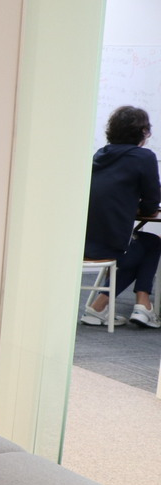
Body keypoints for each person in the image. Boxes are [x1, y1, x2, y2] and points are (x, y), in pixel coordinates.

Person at [81, 105, 161, 329]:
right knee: (148, 246)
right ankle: (141, 305)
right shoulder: (144, 157)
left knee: (142, 245)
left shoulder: (100, 154)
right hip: (111, 246)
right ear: (143, 132)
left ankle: (104, 307)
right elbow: (151, 204)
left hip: (84, 242)